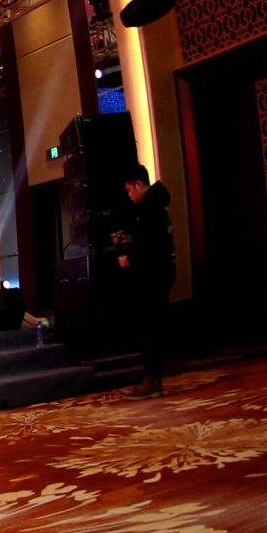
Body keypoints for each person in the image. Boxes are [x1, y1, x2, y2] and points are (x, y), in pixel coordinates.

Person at [117, 164, 177, 398]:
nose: (129, 196)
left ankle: (152, 379)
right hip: (160, 271)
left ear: (139, 184)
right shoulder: (156, 204)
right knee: (153, 326)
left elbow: (151, 244)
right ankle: (152, 378)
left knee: (151, 327)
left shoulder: (151, 207)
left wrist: (129, 256)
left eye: (130, 190)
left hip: (154, 274)